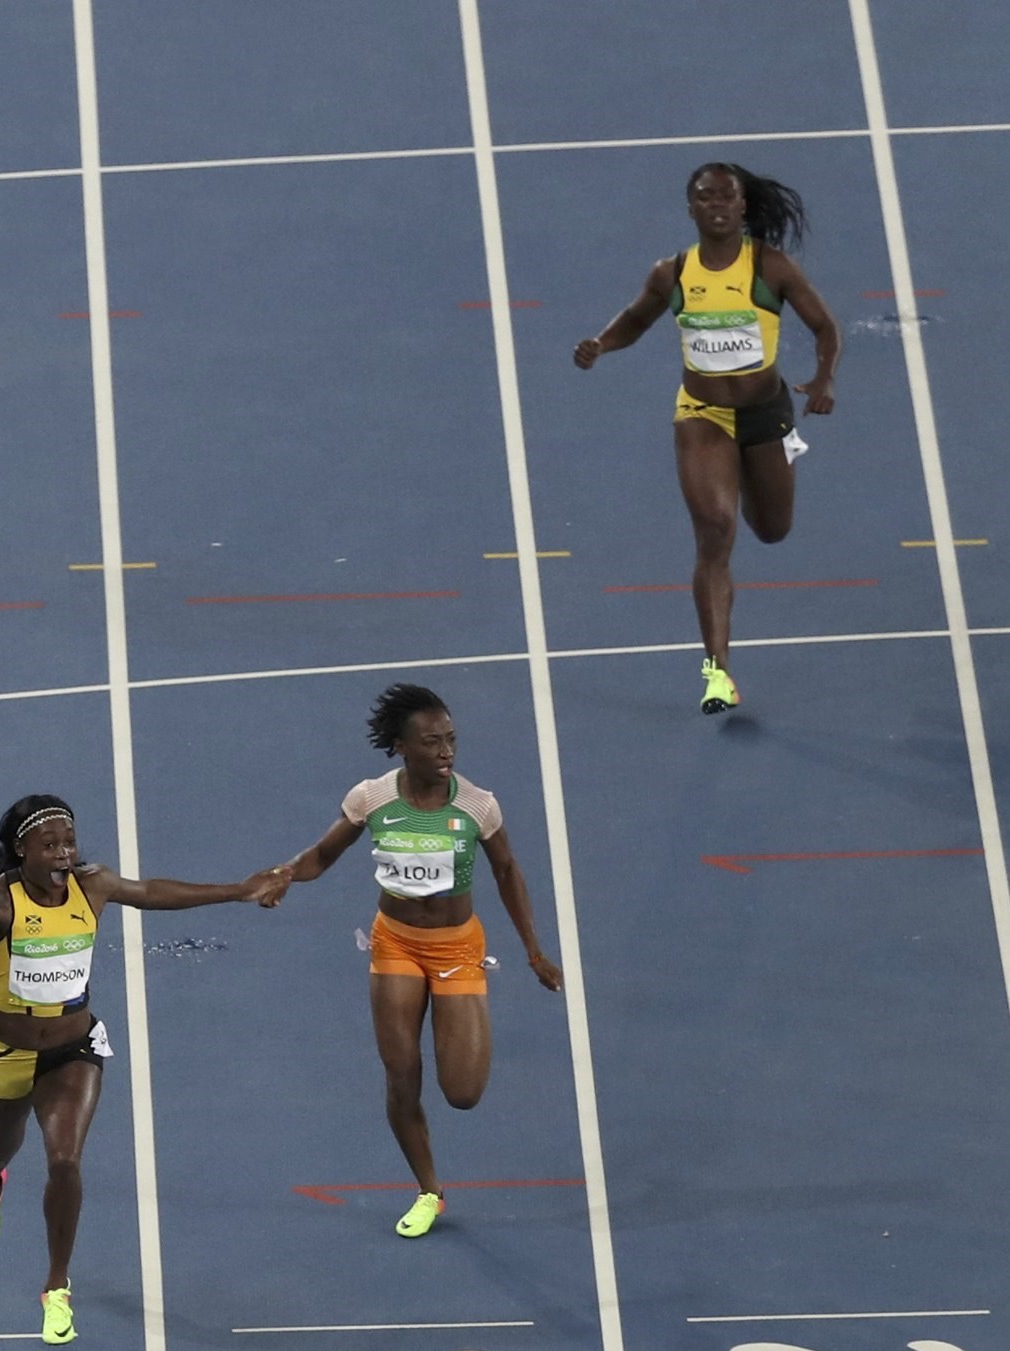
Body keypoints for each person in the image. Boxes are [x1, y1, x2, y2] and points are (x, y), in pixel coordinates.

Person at [0, 796, 282, 1343]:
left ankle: (56, 1287)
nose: (63, 853)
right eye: (49, 844)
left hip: (73, 1052)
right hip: (6, 1054)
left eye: (69, 842)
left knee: (65, 1160)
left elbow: (152, 893)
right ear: (21, 851)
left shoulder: (92, 886)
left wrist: (240, 889)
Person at [260, 684, 562, 1238]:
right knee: (402, 1075)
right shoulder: (372, 799)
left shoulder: (477, 805)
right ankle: (429, 1190)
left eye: (451, 740)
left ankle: (463, 1013)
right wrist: (284, 875)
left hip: (455, 948)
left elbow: (507, 872)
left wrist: (534, 952)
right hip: (395, 941)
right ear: (401, 746)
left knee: (463, 1094)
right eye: (432, 742)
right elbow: (323, 855)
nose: (446, 752)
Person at [574, 161, 841, 714]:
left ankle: (748, 469)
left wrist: (823, 377)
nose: (717, 205)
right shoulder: (671, 273)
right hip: (703, 415)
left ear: (742, 207)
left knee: (771, 530)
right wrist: (601, 344)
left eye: (727, 197)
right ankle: (717, 672)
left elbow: (826, 327)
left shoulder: (770, 266)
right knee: (716, 530)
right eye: (705, 197)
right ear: (691, 208)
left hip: (766, 414)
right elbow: (635, 319)